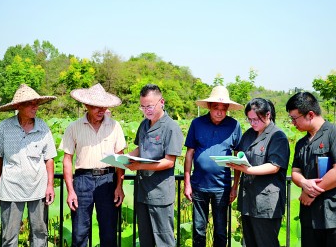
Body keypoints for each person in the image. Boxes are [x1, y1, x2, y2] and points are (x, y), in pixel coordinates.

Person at [286, 92, 336, 247]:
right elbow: (295, 172)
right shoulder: (301, 143)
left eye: (294, 118)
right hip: (311, 216)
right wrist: (304, 183)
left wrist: (311, 191)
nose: (292, 123)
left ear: (310, 114)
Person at [0, 83, 57, 247]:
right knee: (9, 236)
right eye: (31, 103)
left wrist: (50, 185)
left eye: (36, 103)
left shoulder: (43, 127)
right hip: (11, 189)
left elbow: (49, 159)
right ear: (19, 106)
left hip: (38, 189)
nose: (35, 107)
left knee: (40, 234)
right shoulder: (4, 127)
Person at [60, 83, 126, 247]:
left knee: (109, 232)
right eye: (97, 107)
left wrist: (119, 186)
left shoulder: (115, 126)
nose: (101, 110)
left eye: (104, 106)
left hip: (108, 180)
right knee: (80, 232)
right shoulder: (73, 127)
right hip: (83, 180)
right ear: (87, 105)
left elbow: (120, 158)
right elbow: (67, 159)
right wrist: (70, 191)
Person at [184, 85, 243, 247]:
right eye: (216, 108)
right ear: (209, 106)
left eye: (224, 109)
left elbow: (239, 157)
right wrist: (187, 183)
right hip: (199, 186)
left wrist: (235, 186)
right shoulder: (197, 123)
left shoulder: (234, 125)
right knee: (198, 229)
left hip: (222, 188)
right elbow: (189, 153)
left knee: (220, 231)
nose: (220, 112)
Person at [125, 84, 184, 247]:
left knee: (163, 239)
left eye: (150, 106)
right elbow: (140, 148)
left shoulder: (171, 127)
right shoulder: (144, 124)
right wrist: (123, 158)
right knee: (146, 238)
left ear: (161, 102)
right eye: (142, 107)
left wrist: (140, 167)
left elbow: (169, 161)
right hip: (142, 191)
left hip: (160, 193)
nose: (146, 110)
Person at [228, 98, 290, 247]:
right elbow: (240, 156)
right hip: (248, 199)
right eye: (250, 119)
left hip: (266, 202)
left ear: (267, 115)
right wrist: (235, 182)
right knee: (249, 243)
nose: (253, 123)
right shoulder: (249, 134)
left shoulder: (277, 136)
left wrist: (248, 169)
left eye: (256, 119)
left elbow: (274, 166)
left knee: (266, 242)